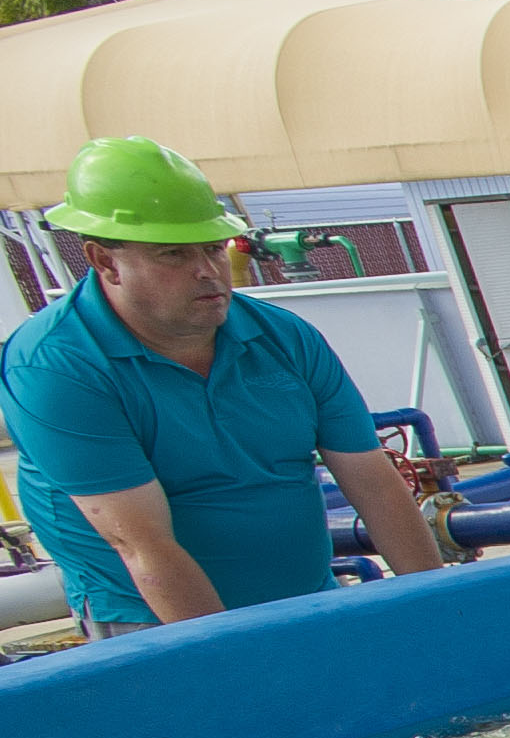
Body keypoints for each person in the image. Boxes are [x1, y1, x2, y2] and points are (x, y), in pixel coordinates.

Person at [2, 135, 447, 633]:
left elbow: (373, 481)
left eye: (214, 249)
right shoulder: (56, 367)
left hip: (306, 597)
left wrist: (434, 609)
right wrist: (230, 661)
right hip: (155, 625)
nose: (207, 271)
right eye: (173, 255)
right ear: (105, 262)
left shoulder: (284, 338)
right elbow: (142, 544)